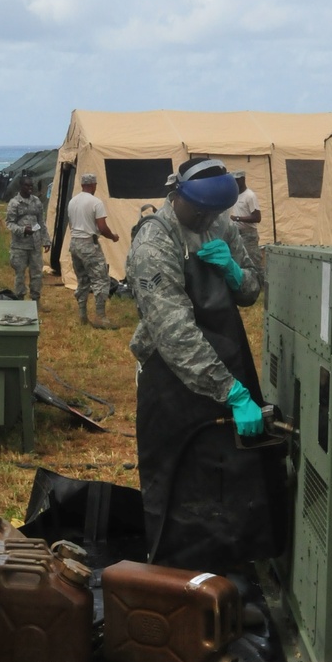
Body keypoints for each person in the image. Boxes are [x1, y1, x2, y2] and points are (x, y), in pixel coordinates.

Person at [126, 157, 281, 572]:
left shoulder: (220, 225)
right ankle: (178, 580)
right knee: (180, 480)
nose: (208, 219)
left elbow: (251, 290)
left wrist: (233, 271)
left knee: (230, 474)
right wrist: (231, 392)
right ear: (176, 196)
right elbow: (175, 334)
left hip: (226, 359)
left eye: (216, 212)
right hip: (173, 375)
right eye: (200, 211)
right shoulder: (154, 243)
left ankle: (230, 568)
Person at [67, 172, 119, 327]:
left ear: (83, 185)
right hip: (89, 244)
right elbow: (102, 227)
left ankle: (82, 315)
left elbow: (71, 224)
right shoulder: (96, 202)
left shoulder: (73, 201)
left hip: (75, 243)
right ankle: (101, 317)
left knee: (82, 280)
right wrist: (113, 237)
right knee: (101, 279)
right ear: (93, 185)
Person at [5, 173, 50, 302]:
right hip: (19, 246)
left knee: (37, 274)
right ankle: (19, 300)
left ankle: (36, 300)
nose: (30, 188)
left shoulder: (36, 201)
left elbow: (41, 222)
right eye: (26, 185)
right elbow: (9, 223)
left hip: (35, 245)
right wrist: (22, 230)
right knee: (20, 274)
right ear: (21, 187)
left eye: (31, 185)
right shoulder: (14, 203)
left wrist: (46, 240)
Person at [229, 171, 262, 266]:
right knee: (240, 262)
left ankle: (258, 280)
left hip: (249, 234)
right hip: (237, 234)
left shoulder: (250, 196)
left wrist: (237, 218)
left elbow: (257, 217)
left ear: (243, 180)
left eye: (237, 180)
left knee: (253, 262)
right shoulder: (235, 195)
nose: (235, 183)